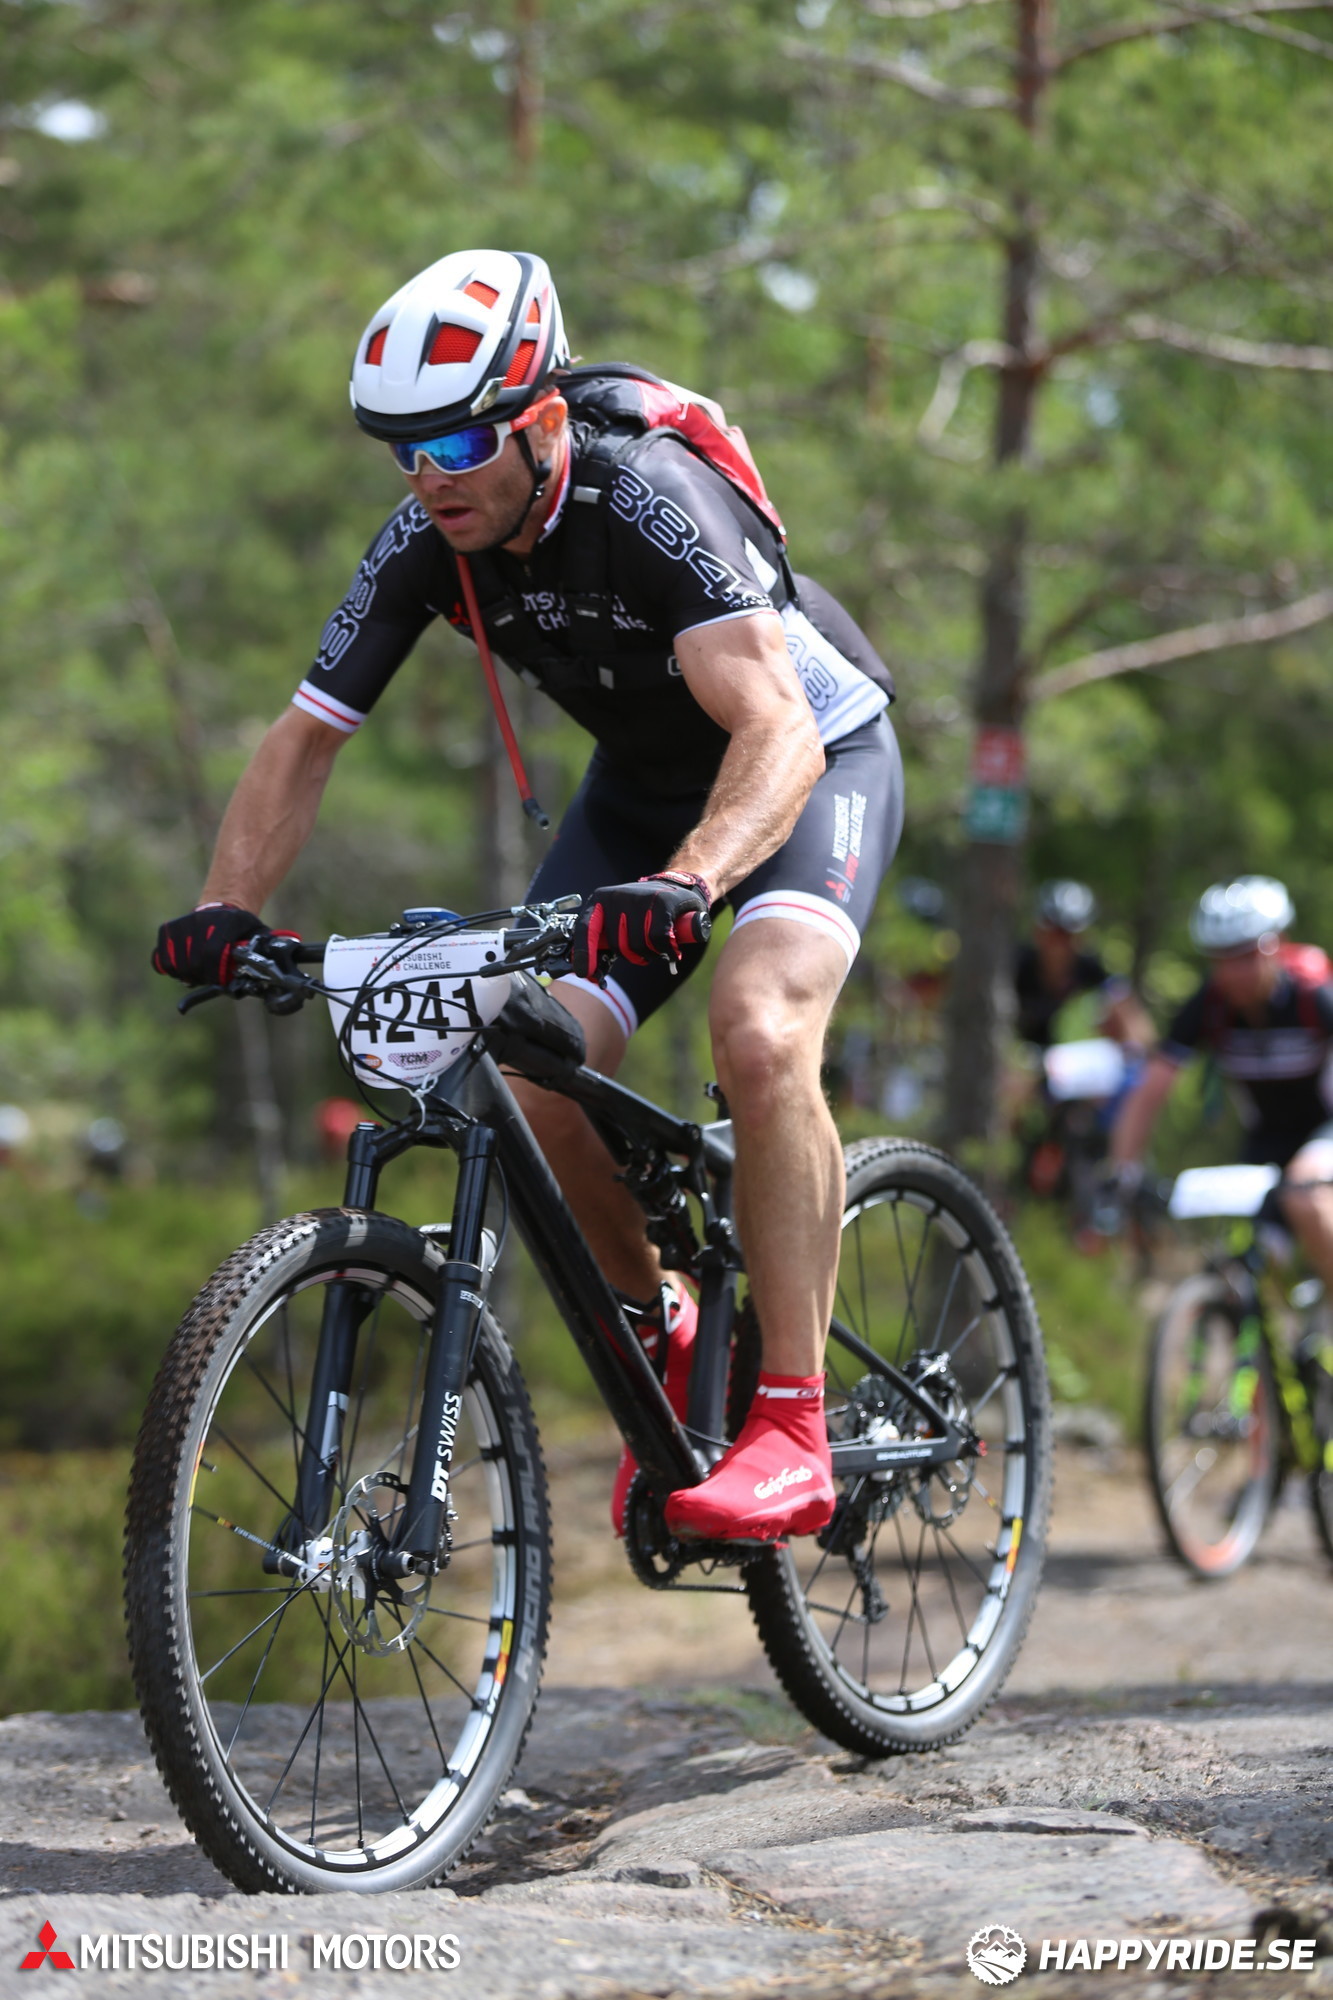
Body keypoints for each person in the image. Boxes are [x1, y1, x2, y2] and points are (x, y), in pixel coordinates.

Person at [150, 249, 905, 1545]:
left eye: (456, 440)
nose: (430, 475)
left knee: (759, 1028)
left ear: (541, 418)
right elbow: (305, 737)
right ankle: (662, 1324)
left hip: (809, 760)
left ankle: (792, 1424)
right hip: (645, 795)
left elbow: (775, 725)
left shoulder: (649, 496)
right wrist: (227, 909)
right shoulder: (426, 540)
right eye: (403, 452)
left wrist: (692, 880)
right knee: (529, 1056)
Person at [1107, 876, 1333, 1285]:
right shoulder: (1210, 1006)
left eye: (1247, 955)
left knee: (1304, 1196)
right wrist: (1124, 1169)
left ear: (1278, 944)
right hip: (1266, 1139)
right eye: (1221, 958)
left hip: (1324, 1130)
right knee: (1249, 1261)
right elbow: (1151, 1087)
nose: (1234, 971)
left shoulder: (1313, 998)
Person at [1014, 880, 1149, 1051]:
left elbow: (1138, 1028)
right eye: (1054, 931)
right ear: (1038, 930)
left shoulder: (1092, 970)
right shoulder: (1015, 966)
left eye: (1068, 933)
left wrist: (1131, 1047)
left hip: (1067, 1059)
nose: (1060, 943)